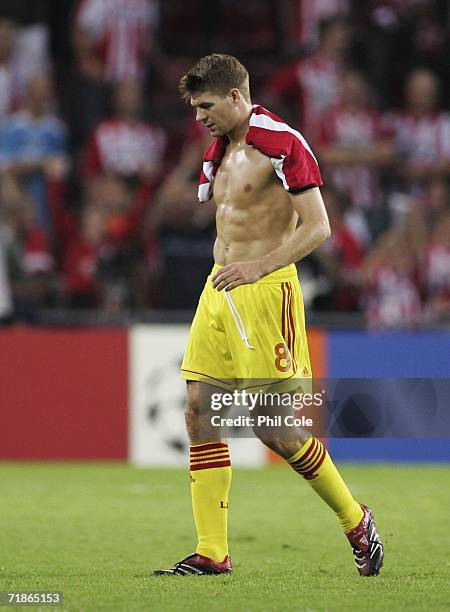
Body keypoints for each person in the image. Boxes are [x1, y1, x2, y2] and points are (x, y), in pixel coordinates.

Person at [154, 54, 384, 578]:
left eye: (206, 106)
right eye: (194, 108)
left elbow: (318, 226)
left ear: (236, 96)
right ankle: (212, 552)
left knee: (274, 428)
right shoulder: (220, 148)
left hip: (263, 291)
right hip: (219, 288)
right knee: (198, 409)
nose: (199, 117)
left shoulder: (282, 143)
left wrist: (257, 266)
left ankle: (356, 520)